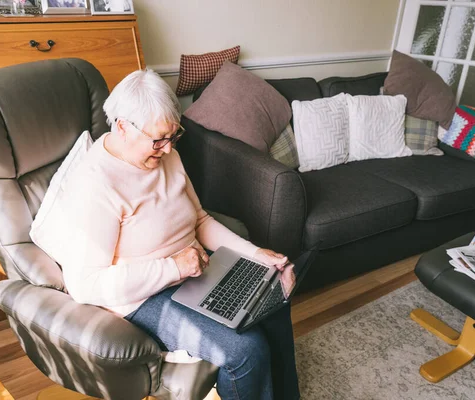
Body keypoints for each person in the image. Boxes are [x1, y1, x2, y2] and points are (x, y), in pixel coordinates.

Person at [32, 69, 300, 400]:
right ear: (122, 127)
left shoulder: (164, 155)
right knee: (245, 351)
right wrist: (173, 268)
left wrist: (257, 255)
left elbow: (200, 220)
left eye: (174, 137)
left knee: (274, 297)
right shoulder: (95, 185)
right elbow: (86, 285)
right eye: (159, 139)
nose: (169, 150)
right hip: (144, 297)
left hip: (196, 269)